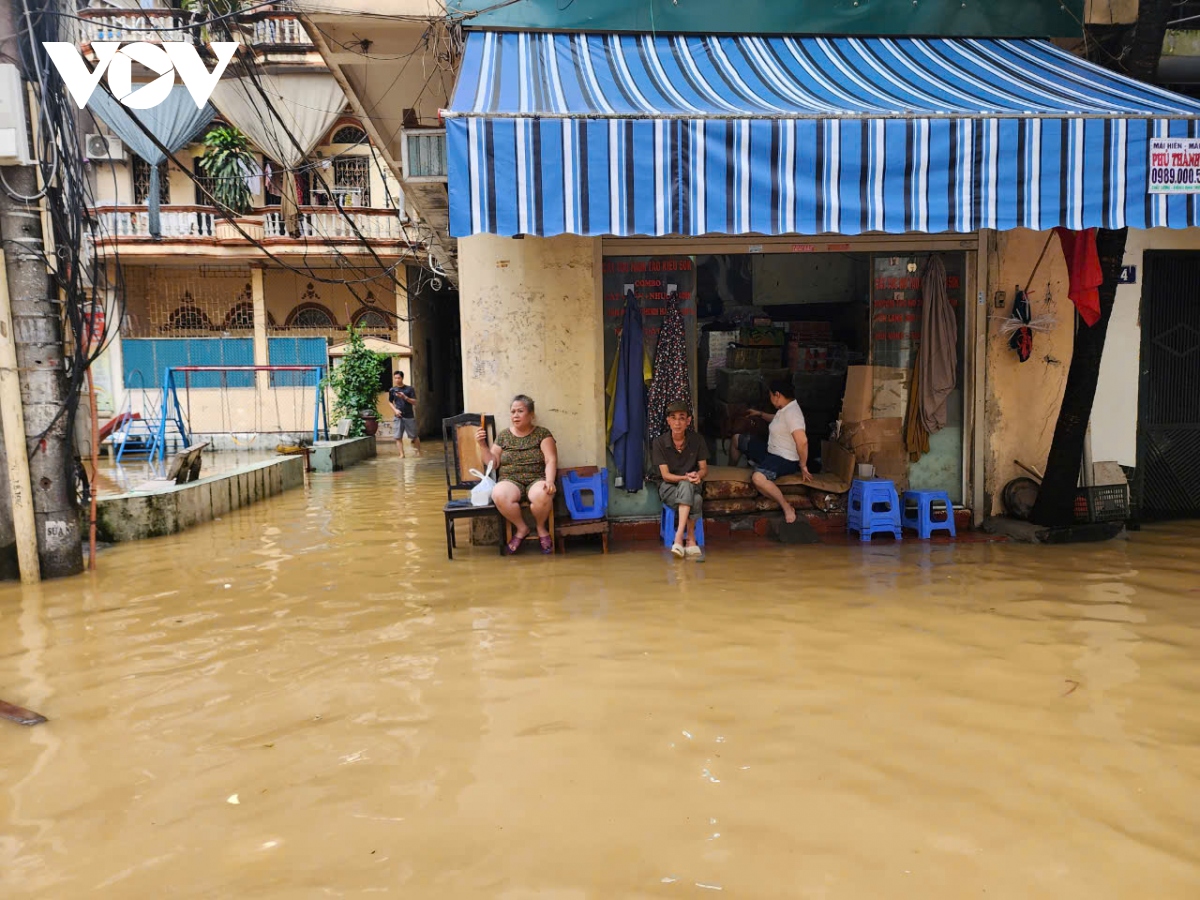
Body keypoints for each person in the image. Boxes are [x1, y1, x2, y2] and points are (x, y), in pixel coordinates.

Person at [477, 395, 558, 555]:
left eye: (520, 411)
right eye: (513, 411)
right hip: (510, 480)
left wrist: (549, 481)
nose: (515, 415)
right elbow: (492, 463)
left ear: (531, 414)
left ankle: (541, 528)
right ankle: (522, 528)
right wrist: (482, 445)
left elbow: (551, 459)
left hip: (536, 478)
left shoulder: (542, 434)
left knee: (543, 493)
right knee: (498, 494)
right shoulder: (504, 435)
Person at [730, 378, 810, 523]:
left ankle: (786, 506)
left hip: (784, 459)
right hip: (771, 451)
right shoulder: (784, 409)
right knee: (737, 439)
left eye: (771, 395)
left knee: (757, 478)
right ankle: (730, 470)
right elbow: (777, 419)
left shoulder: (793, 413)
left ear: (777, 394)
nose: (771, 398)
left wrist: (803, 465)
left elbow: (802, 441)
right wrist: (760, 414)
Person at [651, 400, 708, 559]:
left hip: (693, 483)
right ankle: (689, 538)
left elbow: (704, 468)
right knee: (696, 499)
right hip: (668, 488)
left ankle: (678, 539)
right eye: (673, 418)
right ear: (668, 421)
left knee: (689, 488)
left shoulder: (697, 440)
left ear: (688, 421)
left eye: (682, 418)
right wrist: (686, 478)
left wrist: (698, 475)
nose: (677, 422)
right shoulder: (660, 443)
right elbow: (665, 475)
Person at [388, 370, 419, 457]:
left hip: (409, 415)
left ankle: (419, 453)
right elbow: (390, 402)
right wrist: (395, 410)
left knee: (414, 436)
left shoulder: (409, 389)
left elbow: (414, 402)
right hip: (398, 416)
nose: (397, 380)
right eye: (395, 378)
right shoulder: (392, 390)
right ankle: (402, 454)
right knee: (398, 437)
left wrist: (405, 397)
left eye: (399, 378)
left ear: (402, 378)